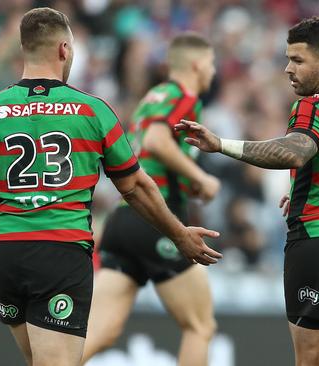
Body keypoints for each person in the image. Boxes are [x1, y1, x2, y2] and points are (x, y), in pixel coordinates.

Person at [0, 8, 222, 366]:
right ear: (64, 50)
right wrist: (179, 234)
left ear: (24, 48)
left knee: (43, 358)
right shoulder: (92, 111)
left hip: (5, 255)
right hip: (60, 251)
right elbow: (136, 187)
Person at [176, 16, 319, 366]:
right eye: (288, 59)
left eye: (298, 60)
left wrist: (221, 144)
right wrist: (310, 187)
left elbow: (296, 150)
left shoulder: (313, 104)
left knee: (309, 361)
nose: (288, 69)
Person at [81, 33, 220, 366]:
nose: (213, 72)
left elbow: (148, 152)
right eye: (212, 64)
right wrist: (201, 176)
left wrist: (188, 178)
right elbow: (157, 141)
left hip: (123, 222)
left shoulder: (152, 97)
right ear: (197, 64)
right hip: (158, 222)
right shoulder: (185, 97)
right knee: (200, 326)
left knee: (101, 332)